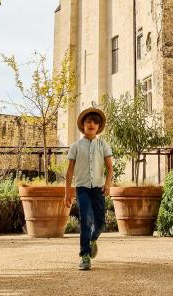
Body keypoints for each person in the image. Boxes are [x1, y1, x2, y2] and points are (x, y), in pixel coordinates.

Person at [65, 107, 113, 271]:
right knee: (85, 220)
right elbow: (69, 171)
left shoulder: (103, 145)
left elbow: (110, 168)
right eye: (88, 121)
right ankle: (85, 256)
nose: (92, 124)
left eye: (95, 122)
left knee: (100, 225)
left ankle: (92, 240)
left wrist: (107, 184)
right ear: (83, 125)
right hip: (82, 189)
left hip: (98, 189)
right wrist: (67, 193)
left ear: (99, 127)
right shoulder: (76, 146)